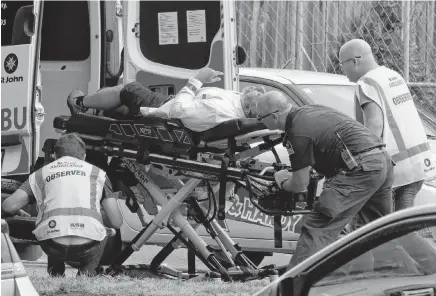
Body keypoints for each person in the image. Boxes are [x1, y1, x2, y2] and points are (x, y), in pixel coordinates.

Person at [255, 91, 395, 269]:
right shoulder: (311, 111)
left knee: (317, 227)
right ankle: (412, 275)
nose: (262, 123)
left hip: (360, 168)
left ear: (274, 116)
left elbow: (299, 184)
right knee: (380, 229)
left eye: (261, 118)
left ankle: (295, 284)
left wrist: (282, 180)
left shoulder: (296, 133)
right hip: (381, 160)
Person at [1, 133, 123, 277]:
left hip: (53, 245)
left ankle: (56, 272)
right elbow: (116, 222)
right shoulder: (98, 174)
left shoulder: (41, 174)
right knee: (104, 232)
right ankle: (87, 273)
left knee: (49, 226)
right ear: (83, 157)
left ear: (55, 156)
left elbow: (8, 206)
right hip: (88, 246)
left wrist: (21, 212)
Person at [339, 39, 436, 211]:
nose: (342, 70)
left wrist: (361, 160)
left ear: (355, 61)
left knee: (393, 227)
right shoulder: (392, 75)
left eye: (342, 64)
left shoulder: (366, 83)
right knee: (402, 221)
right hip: (419, 162)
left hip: (398, 167)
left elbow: (374, 124)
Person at [66, 67, 269, 132]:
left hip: (165, 109)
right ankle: (94, 111)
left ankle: (80, 103)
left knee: (127, 89)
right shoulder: (239, 104)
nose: (257, 89)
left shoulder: (220, 110)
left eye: (260, 94)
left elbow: (179, 110)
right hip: (171, 103)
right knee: (124, 108)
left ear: (253, 107)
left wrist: (197, 80)